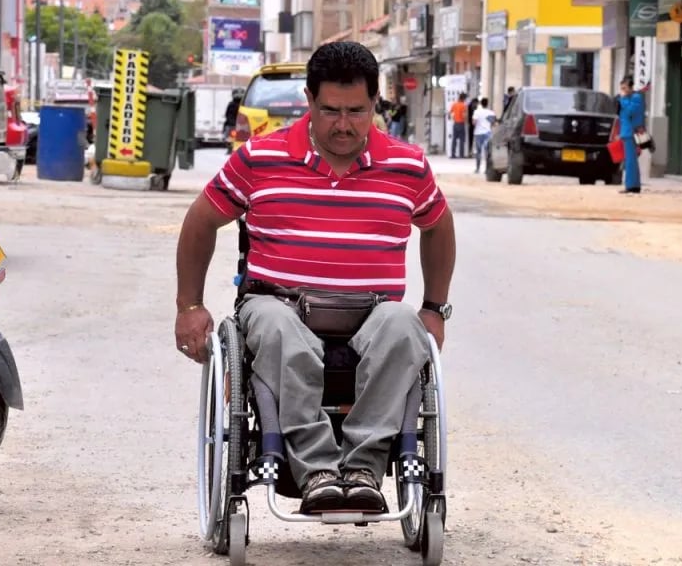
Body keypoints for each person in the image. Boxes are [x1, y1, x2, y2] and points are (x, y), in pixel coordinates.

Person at [174, 41, 457, 515]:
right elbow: (201, 221)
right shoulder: (261, 158)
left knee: (404, 326)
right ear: (308, 100)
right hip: (277, 305)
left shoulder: (407, 166)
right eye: (329, 110)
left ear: (375, 104)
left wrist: (434, 307)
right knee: (281, 330)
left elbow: (438, 227)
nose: (343, 124)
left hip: (372, 311)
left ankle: (364, 469)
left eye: (356, 111)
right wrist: (189, 306)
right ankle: (318, 471)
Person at [616, 77, 647, 195]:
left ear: (630, 87)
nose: (622, 91)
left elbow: (630, 112)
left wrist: (623, 99)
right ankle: (632, 184)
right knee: (629, 160)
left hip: (631, 132)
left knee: (630, 161)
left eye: (624, 88)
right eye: (621, 88)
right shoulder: (628, 99)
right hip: (625, 131)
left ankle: (631, 185)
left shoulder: (636, 98)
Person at [471, 96, 495, 174]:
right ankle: (487, 169)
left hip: (478, 133)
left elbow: (474, 122)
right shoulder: (491, 112)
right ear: (487, 104)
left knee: (478, 151)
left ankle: (478, 168)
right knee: (487, 151)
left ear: (481, 103)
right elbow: (493, 123)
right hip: (487, 132)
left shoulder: (477, 112)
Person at [449, 92, 468, 159]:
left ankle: (453, 154)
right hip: (461, 124)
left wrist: (454, 118)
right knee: (462, 140)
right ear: (463, 98)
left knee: (454, 139)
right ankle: (461, 155)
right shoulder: (463, 105)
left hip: (455, 124)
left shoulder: (454, 104)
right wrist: (466, 121)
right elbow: (464, 115)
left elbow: (450, 113)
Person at [223, 89, 242, 154]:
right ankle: (230, 148)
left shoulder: (231, 104)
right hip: (238, 125)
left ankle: (230, 148)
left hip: (233, 124)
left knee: (228, 137)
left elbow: (227, 114)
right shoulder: (244, 105)